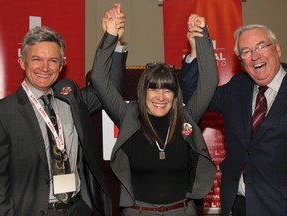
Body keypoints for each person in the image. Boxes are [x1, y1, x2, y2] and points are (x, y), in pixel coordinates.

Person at [0, 4, 127, 216]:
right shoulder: (4, 113)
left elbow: (109, 90)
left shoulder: (71, 98)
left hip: (77, 209)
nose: (45, 67)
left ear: (61, 65)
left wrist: (112, 39)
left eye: (53, 60)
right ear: (22, 62)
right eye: (37, 59)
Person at [91, 14, 218, 215]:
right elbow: (99, 78)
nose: (161, 96)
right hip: (138, 212)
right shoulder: (129, 116)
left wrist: (201, 37)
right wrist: (110, 36)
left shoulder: (187, 116)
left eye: (167, 90)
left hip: (182, 211)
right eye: (153, 89)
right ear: (144, 91)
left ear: (175, 95)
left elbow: (210, 81)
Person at [181, 21, 287, 216]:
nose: (255, 56)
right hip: (238, 205)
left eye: (261, 46)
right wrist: (197, 49)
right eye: (245, 52)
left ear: (278, 49)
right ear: (241, 60)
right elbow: (196, 96)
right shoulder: (238, 86)